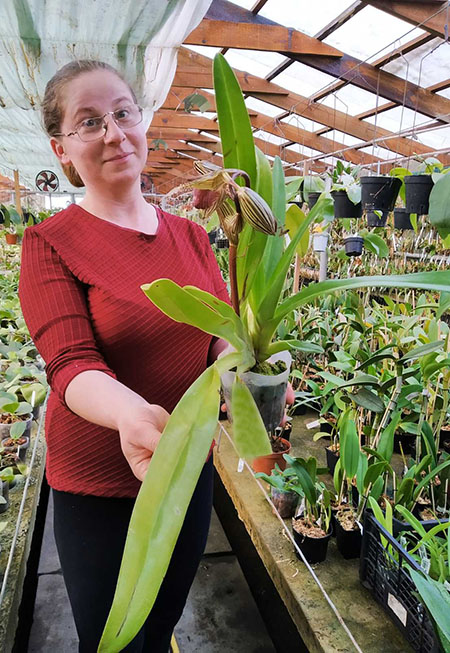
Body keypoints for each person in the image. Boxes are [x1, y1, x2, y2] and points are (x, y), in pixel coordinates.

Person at [19, 59, 231, 653]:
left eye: (122, 113)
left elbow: (219, 331)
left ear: (142, 122)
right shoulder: (50, 244)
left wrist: (241, 371)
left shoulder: (190, 236)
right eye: (89, 123)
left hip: (187, 470)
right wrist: (133, 416)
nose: (113, 133)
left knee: (160, 623)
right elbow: (70, 364)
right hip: (100, 485)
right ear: (63, 149)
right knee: (112, 643)